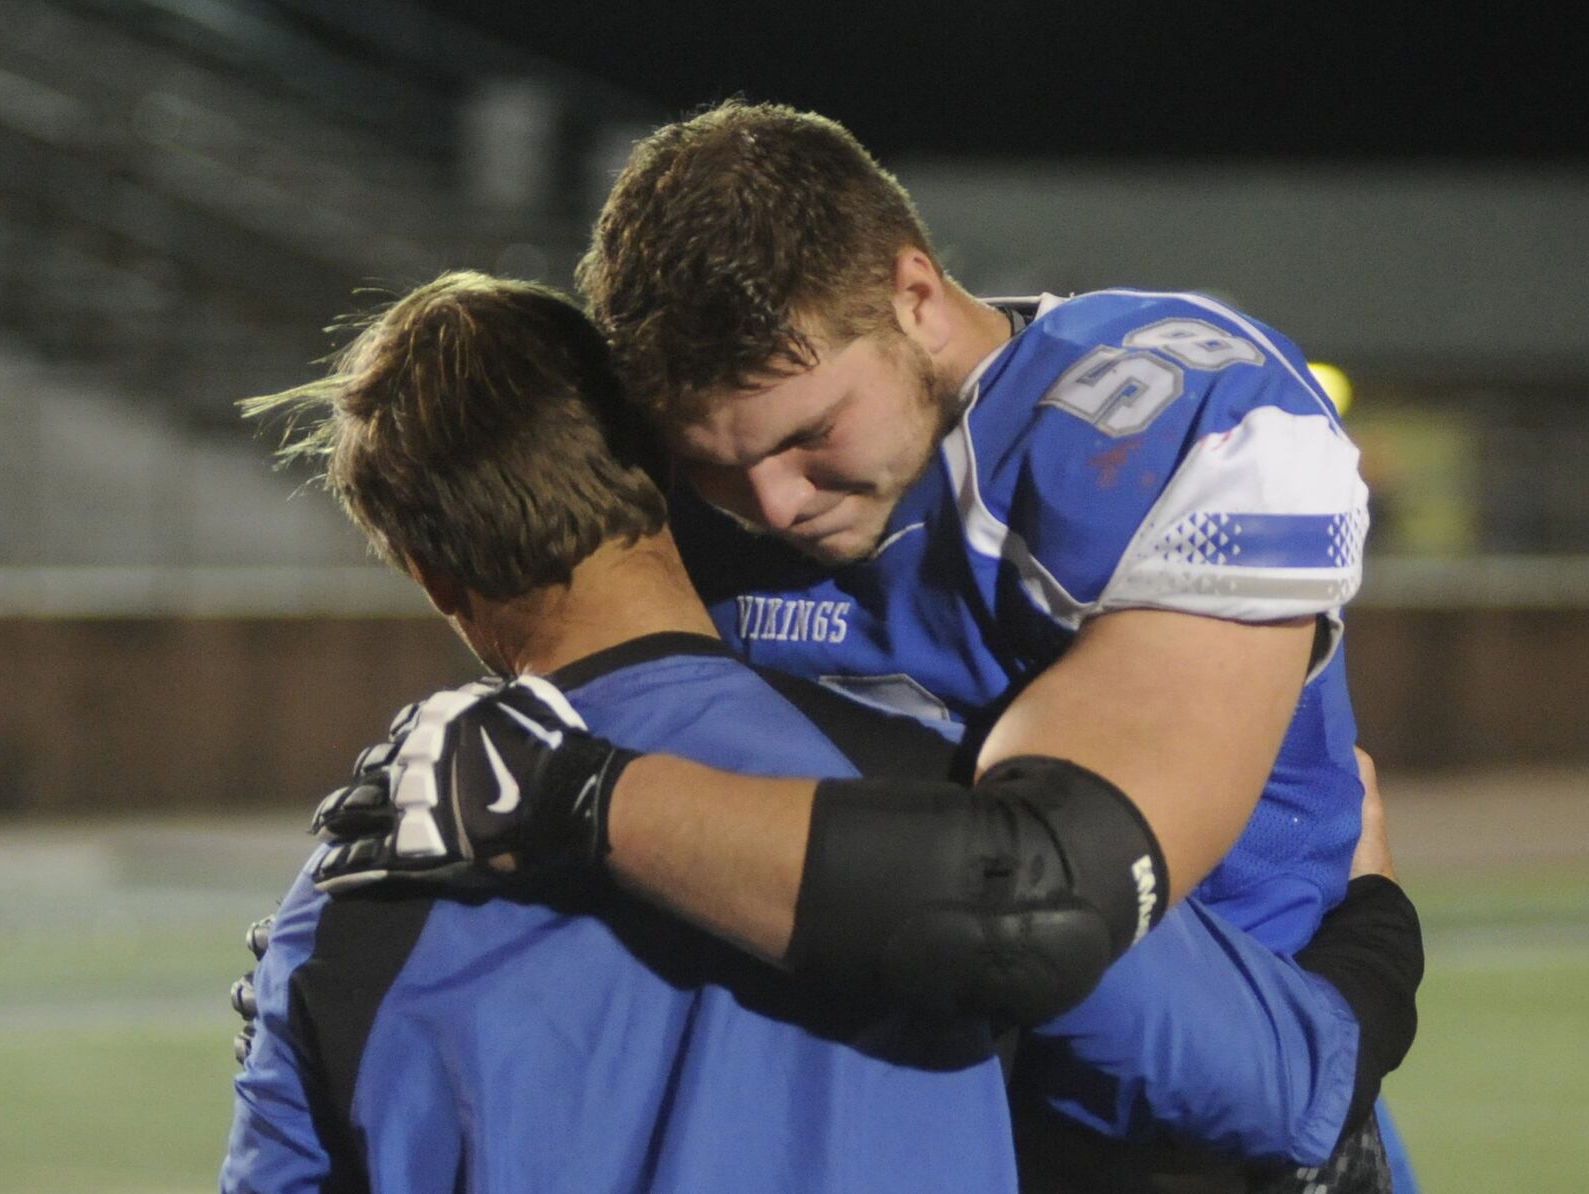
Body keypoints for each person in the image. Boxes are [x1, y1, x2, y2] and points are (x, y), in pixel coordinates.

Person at [229, 273, 1419, 1192]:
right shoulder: (929, 806)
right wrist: (1372, 921)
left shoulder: (343, 911)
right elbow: (1282, 1088)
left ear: (434, 575)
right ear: (678, 465)